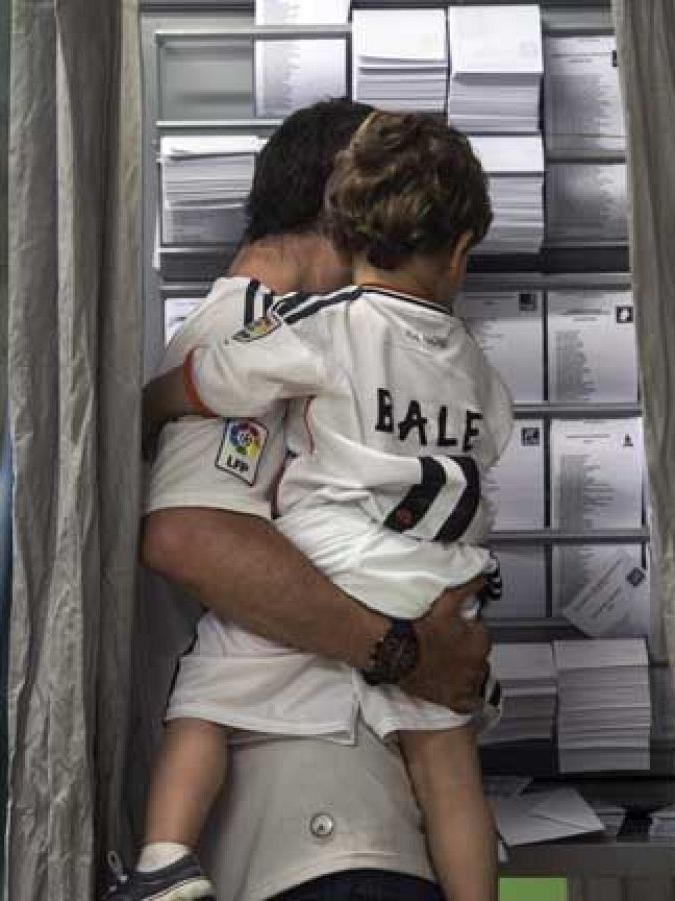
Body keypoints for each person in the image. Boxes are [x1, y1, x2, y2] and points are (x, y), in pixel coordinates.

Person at [120, 110, 508, 901]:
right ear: (339, 203)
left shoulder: (324, 332)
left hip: (357, 798)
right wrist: (409, 652)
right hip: (316, 815)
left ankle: (164, 859)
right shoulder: (253, 326)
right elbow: (191, 537)